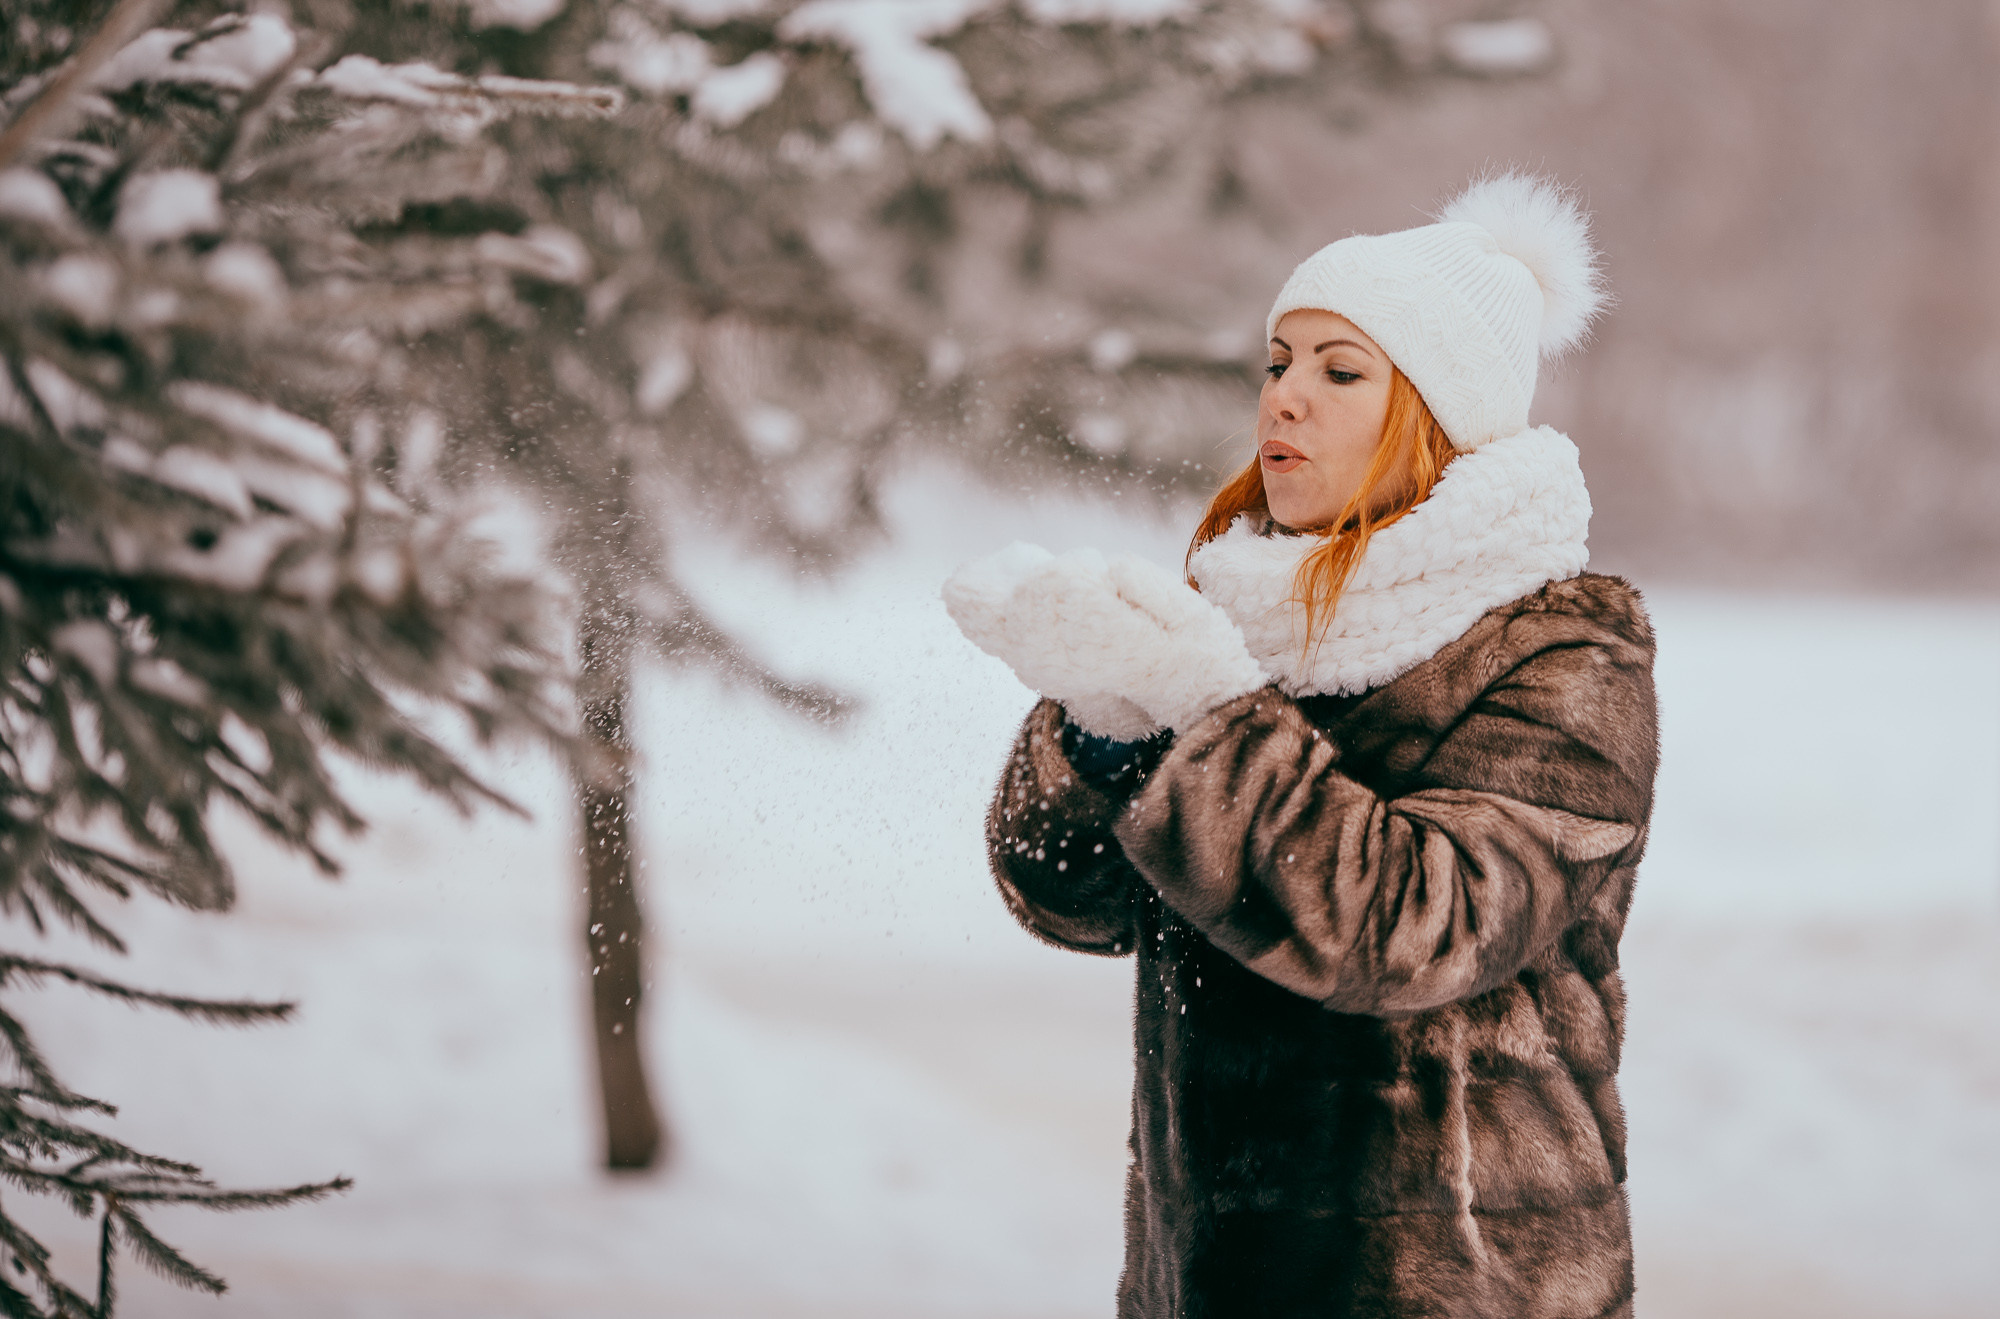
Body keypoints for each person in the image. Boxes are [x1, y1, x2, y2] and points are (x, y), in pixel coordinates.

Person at [942, 173, 1659, 1318]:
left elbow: (1413, 926)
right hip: (1209, 1277)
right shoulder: (1240, 620)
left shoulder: (1560, 655)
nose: (1284, 399)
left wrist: (1205, 710)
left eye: (1338, 371)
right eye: (1277, 362)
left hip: (1464, 1287)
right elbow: (1068, 900)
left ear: (1435, 414)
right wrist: (1103, 727)